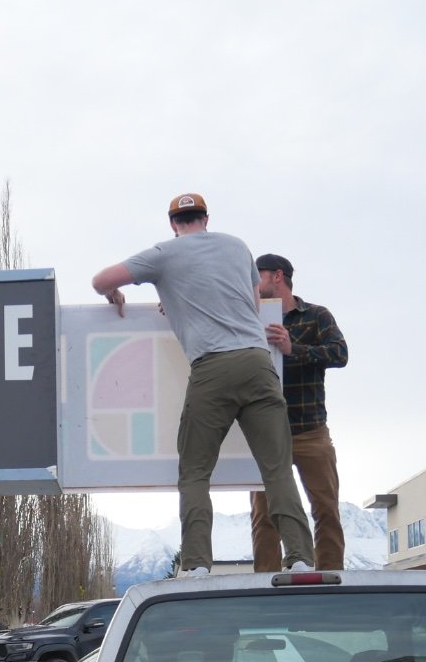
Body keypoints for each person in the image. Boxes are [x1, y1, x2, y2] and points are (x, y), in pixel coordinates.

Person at [92, 193, 314, 575]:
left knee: (195, 472)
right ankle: (300, 558)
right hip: (258, 363)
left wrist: (117, 293)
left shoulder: (164, 254)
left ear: (172, 224)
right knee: (276, 468)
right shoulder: (238, 247)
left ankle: (197, 565)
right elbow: (251, 305)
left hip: (212, 367)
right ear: (207, 219)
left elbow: (101, 280)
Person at [250, 254, 348, 571]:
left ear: (277, 276)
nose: (252, 281)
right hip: (266, 435)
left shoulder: (316, 316)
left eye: (258, 275)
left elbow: (340, 353)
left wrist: (294, 349)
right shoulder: (247, 315)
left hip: (310, 431)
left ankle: (331, 577)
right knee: (264, 515)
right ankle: (265, 583)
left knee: (326, 508)